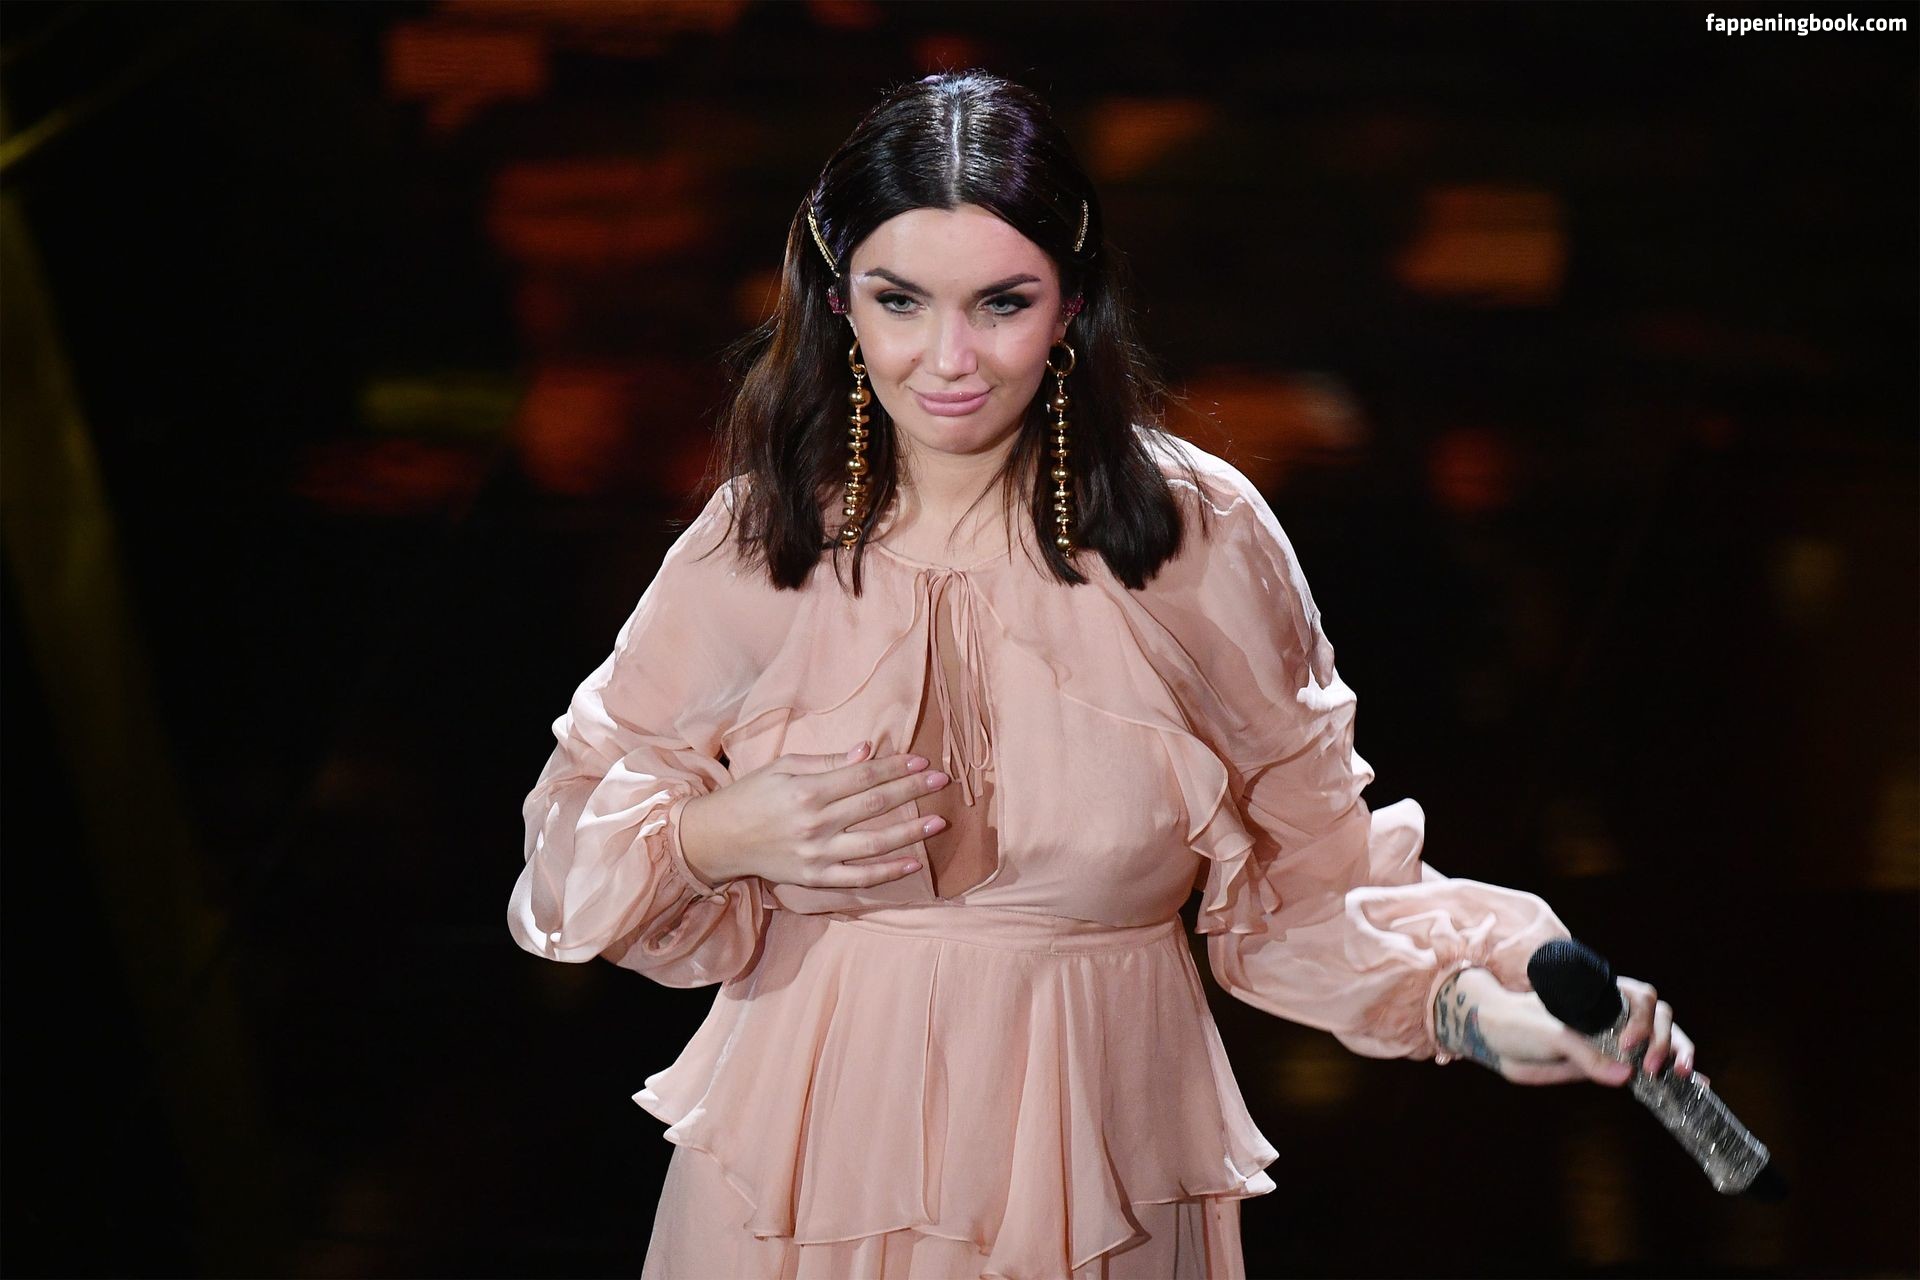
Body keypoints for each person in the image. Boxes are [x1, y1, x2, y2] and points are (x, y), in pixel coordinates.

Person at [508, 70, 1702, 1280]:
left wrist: (1476, 1008)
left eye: (1002, 302)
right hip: (803, 1157)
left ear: (1073, 303)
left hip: (1103, 1151)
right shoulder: (759, 538)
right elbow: (562, 858)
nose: (950, 358)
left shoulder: (1198, 535)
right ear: (839, 302)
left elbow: (1308, 884)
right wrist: (716, 834)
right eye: (900, 301)